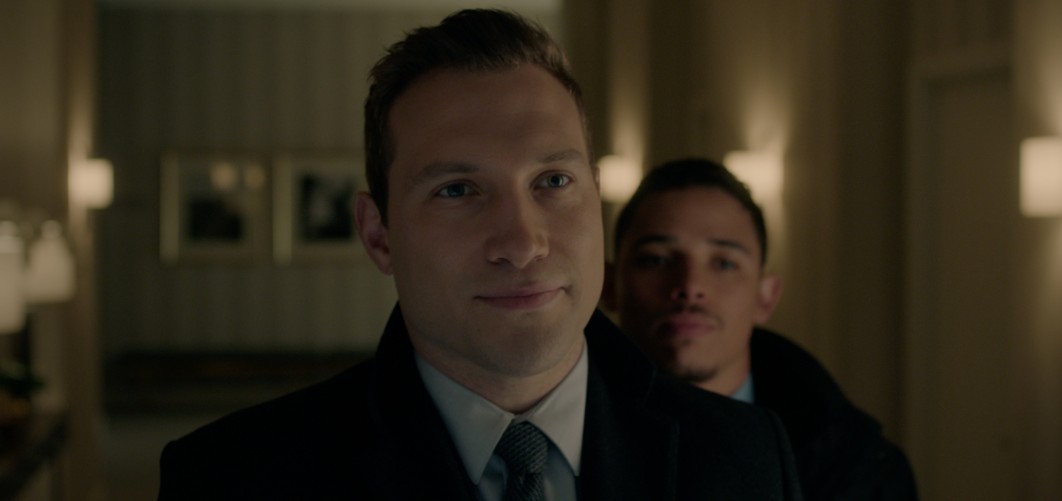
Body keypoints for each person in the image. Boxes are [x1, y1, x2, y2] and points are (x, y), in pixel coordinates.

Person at [158, 10, 802, 500]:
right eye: (457, 190)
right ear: (379, 235)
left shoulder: (746, 458)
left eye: (553, 180)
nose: (523, 243)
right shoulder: (232, 478)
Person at [604, 158, 919, 501]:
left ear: (765, 297)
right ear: (608, 285)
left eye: (724, 263)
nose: (691, 286)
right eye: (656, 259)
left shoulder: (860, 468)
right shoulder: (564, 441)